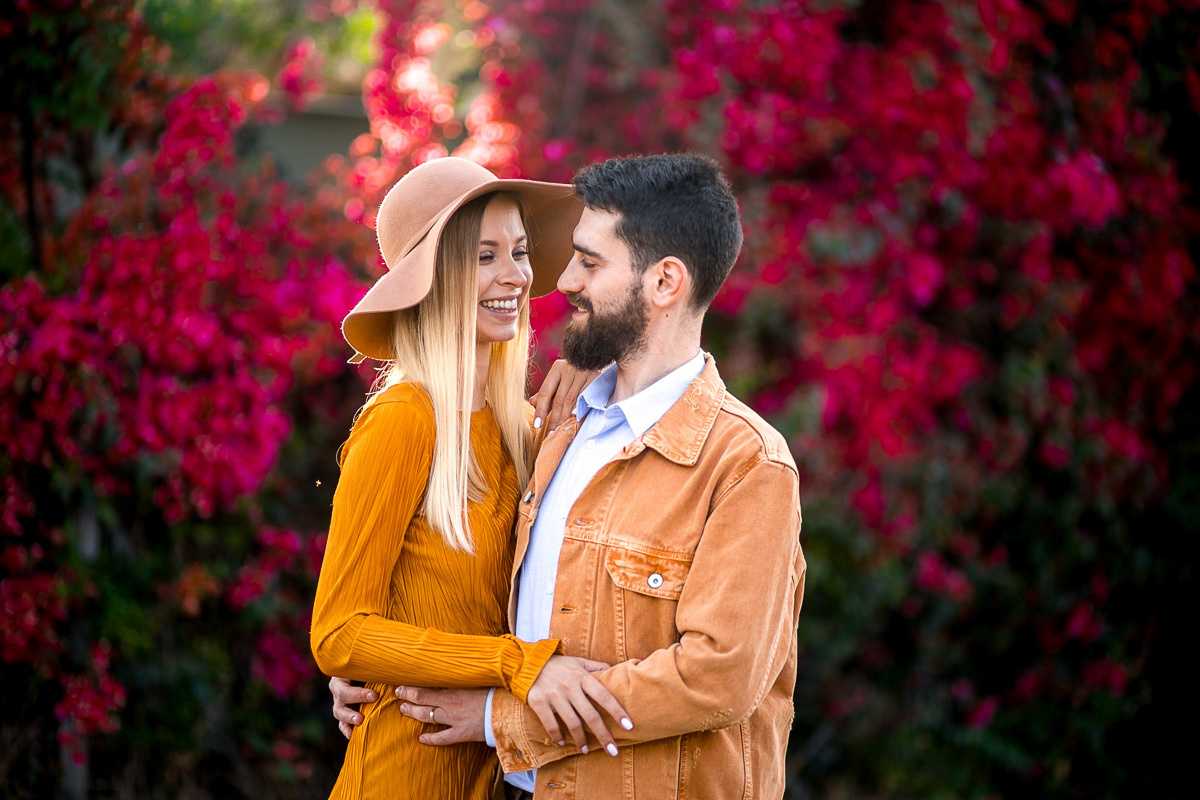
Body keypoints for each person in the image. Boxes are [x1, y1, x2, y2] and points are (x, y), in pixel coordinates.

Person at [332, 153, 807, 799]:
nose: (557, 280)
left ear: (665, 282)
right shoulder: (553, 429)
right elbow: (399, 610)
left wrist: (503, 718)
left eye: (588, 261)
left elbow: (718, 678)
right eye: (483, 255)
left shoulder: (742, 463)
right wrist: (375, 665)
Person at [310, 157, 631, 800]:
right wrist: (516, 668)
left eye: (517, 251)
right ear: (435, 277)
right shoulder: (403, 420)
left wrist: (599, 370)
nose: (515, 276)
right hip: (404, 774)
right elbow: (340, 632)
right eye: (484, 257)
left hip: (493, 773)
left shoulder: (522, 430)